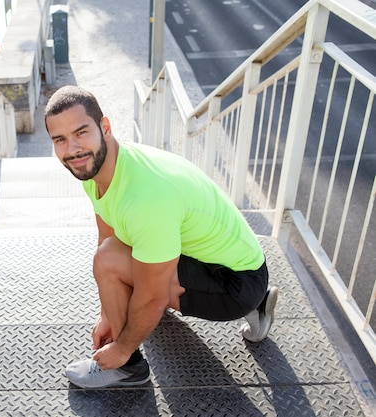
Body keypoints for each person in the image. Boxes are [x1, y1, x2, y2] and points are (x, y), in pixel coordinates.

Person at [44, 85, 279, 389]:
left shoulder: (147, 194)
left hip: (235, 283)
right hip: (229, 260)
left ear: (105, 126)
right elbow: (108, 237)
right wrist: (108, 314)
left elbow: (149, 294)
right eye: (60, 139)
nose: (72, 148)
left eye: (81, 132)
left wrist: (121, 348)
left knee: (114, 267)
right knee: (112, 254)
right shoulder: (98, 169)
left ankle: (129, 370)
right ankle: (258, 305)